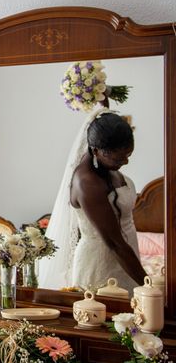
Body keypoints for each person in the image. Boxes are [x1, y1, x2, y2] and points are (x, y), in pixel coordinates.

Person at [39, 109, 147, 293]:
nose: (126, 162)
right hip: (102, 264)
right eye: (120, 158)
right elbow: (114, 243)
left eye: (128, 155)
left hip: (126, 254)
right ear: (96, 150)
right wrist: (148, 286)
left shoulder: (104, 162)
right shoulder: (87, 184)